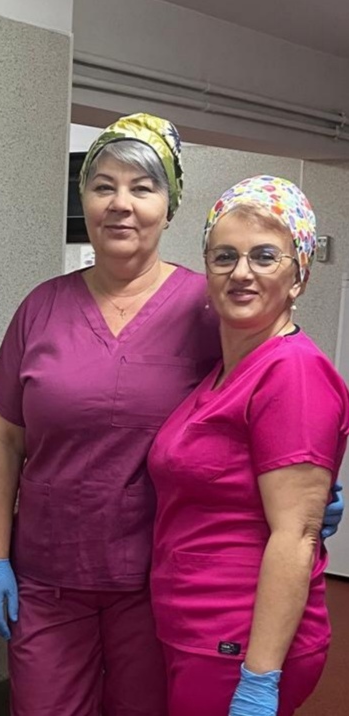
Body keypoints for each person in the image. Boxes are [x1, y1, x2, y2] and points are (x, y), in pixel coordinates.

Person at [0, 114, 344, 716]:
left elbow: (272, 390)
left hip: (157, 584)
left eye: (142, 188)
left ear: (169, 207)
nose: (121, 204)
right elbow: (4, 437)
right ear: (84, 201)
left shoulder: (212, 306)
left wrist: (306, 496)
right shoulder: (41, 307)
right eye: (103, 186)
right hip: (49, 574)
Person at [147, 176, 349, 716]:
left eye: (264, 256)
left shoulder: (293, 373)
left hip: (238, 641)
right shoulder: (225, 372)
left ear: (299, 276)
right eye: (224, 256)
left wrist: (259, 678)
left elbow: (295, 535)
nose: (241, 272)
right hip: (197, 629)